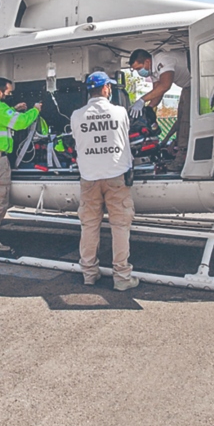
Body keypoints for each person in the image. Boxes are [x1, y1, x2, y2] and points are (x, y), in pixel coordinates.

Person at [70, 72, 137, 291]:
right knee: (119, 226)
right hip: (116, 176)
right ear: (107, 88)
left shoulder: (76, 115)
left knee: (89, 226)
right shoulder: (119, 112)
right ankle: (122, 277)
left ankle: (89, 273)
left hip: (89, 178)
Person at [0, 77, 41, 256]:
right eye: (8, 93)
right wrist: (35, 111)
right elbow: (20, 123)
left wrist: (14, 109)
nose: (9, 95)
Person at [128, 48, 191, 173]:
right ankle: (177, 149)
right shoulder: (153, 70)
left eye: (138, 68)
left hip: (195, 85)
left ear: (147, 62)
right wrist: (149, 109)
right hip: (187, 87)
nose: (138, 72)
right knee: (180, 118)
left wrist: (142, 100)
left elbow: (165, 86)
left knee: (185, 122)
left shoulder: (163, 60)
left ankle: (181, 158)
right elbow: (157, 91)